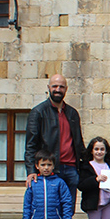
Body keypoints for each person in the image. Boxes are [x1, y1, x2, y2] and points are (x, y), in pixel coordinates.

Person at [24, 74, 84, 210]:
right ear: (48, 88)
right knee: (50, 208)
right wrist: (31, 170)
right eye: (55, 86)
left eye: (61, 87)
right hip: (49, 169)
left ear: (66, 89)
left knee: (68, 210)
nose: (58, 89)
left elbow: (79, 143)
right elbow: (30, 145)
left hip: (71, 170)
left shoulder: (72, 113)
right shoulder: (38, 112)